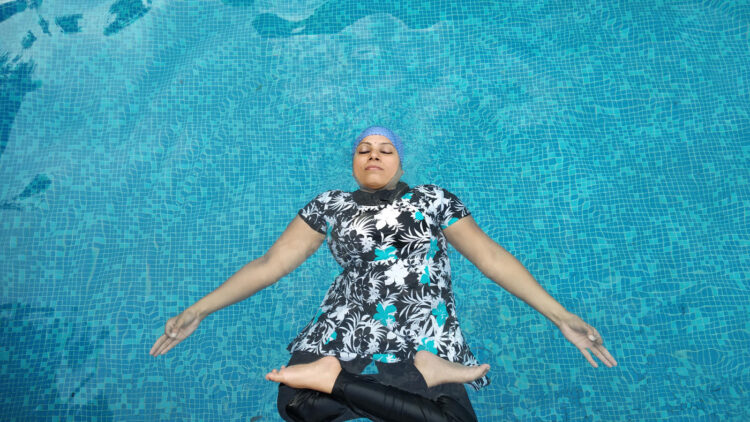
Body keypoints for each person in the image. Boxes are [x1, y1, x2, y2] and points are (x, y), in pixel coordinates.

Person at [150, 126, 618, 421]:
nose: (373, 155)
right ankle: (378, 376)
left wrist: (560, 315)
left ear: (400, 162)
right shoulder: (329, 206)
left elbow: (490, 257)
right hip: (346, 327)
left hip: (423, 331)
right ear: (353, 163)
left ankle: (368, 375)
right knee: (293, 406)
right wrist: (199, 309)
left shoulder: (434, 200)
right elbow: (270, 265)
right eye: (364, 149)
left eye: (385, 149)